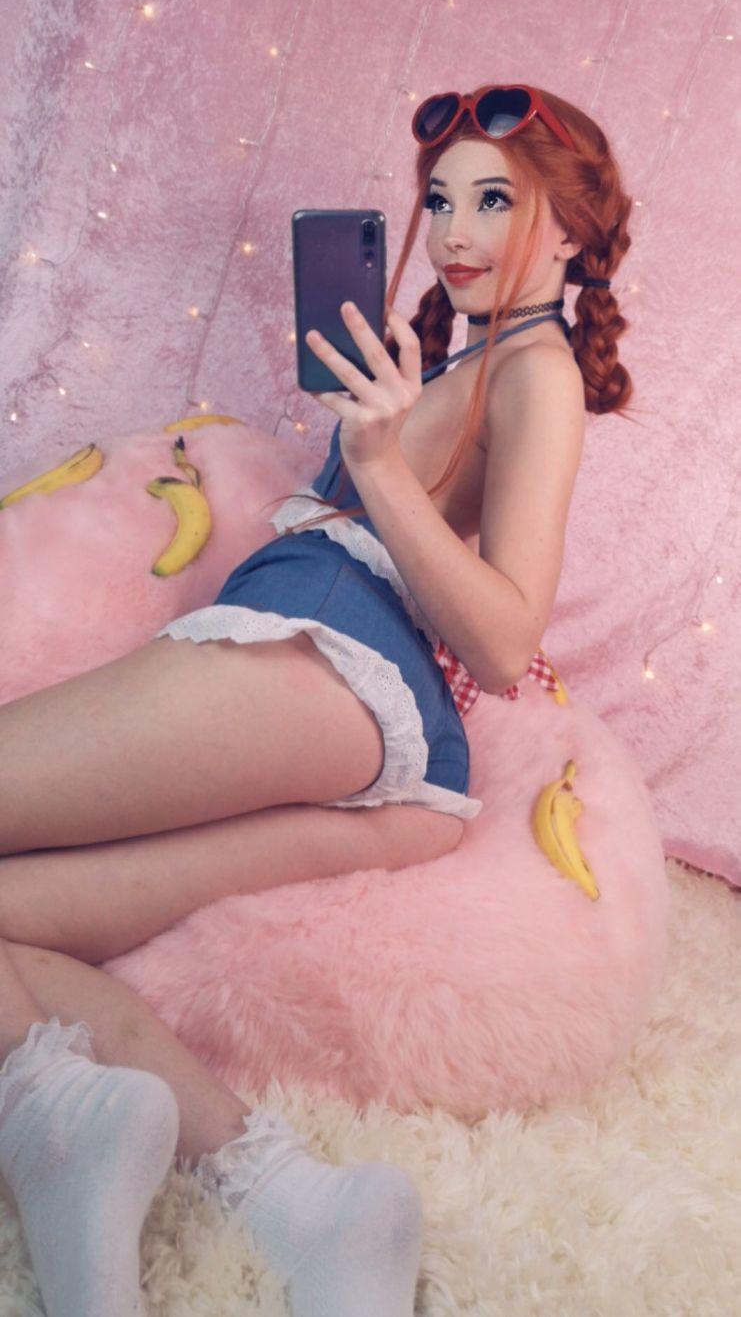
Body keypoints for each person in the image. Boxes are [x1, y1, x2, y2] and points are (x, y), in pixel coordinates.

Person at [0, 84, 635, 1315]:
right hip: (374, 729)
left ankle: (59, 1133)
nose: (453, 232)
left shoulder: (538, 373)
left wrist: (380, 466)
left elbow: (508, 638)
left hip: (331, 650)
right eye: (439, 201)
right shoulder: (471, 356)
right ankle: (295, 1203)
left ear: (568, 230)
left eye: (493, 202)